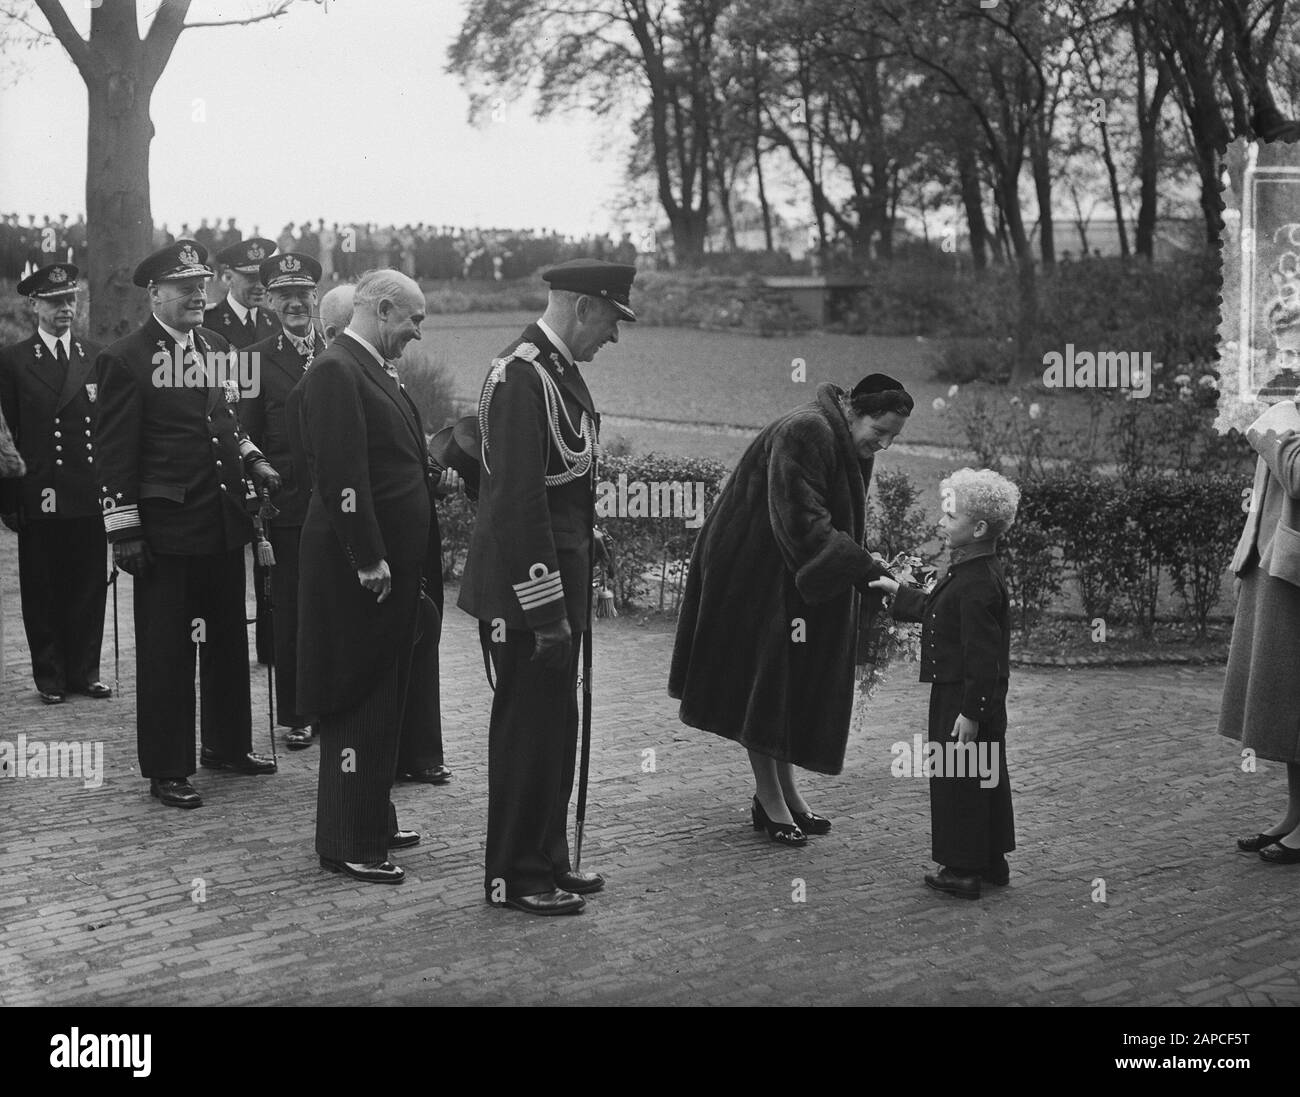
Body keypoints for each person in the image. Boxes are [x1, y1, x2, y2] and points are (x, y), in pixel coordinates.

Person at [459, 258, 635, 916]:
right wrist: (548, 612)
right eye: (612, 320)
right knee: (527, 734)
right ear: (585, 307)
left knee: (556, 731)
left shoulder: (557, 371)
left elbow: (569, 493)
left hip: (558, 587)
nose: (613, 337)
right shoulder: (521, 376)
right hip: (526, 599)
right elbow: (517, 506)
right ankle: (514, 873)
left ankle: (548, 857)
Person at [669, 375, 910, 844]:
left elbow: (825, 520)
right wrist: (863, 569)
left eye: (892, 438)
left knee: (785, 685)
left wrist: (862, 564)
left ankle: (786, 795)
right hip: (749, 574)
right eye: (879, 431)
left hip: (786, 572)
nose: (883, 444)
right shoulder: (808, 430)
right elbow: (803, 522)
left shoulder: (841, 437)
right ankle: (770, 801)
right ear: (854, 412)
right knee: (765, 685)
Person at [93, 240, 281, 809]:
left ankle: (226, 746)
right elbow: (112, 451)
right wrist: (124, 531)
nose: (198, 294)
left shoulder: (219, 345)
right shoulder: (126, 358)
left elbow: (226, 423)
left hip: (222, 523)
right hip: (167, 531)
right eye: (185, 287)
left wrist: (254, 459)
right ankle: (168, 766)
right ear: (156, 294)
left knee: (226, 640)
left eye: (202, 285)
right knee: (167, 651)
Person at [295, 269, 441, 885]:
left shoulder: (370, 368)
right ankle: (348, 842)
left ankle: (372, 816)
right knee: (359, 699)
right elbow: (342, 475)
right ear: (382, 310)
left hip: (390, 571)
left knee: (385, 697)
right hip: (362, 572)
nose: (415, 333)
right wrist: (367, 556)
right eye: (412, 320)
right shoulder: (336, 370)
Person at [868, 468, 1019, 900]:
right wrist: (897, 591)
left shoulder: (976, 583)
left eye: (949, 516)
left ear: (979, 528)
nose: (941, 521)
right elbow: (941, 612)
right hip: (976, 698)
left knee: (957, 780)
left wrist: (971, 711)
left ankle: (961, 869)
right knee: (985, 775)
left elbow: (983, 656)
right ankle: (991, 860)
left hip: (963, 697)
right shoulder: (975, 570)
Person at [0, 263, 110, 704]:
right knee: (43, 586)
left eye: (70, 300)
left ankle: (85, 671)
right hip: (39, 489)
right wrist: (8, 499)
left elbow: (105, 428)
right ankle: (50, 676)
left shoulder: (96, 356)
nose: (65, 308)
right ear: (34, 306)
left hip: (85, 490)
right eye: (54, 302)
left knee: (88, 584)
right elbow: (6, 434)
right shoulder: (14, 360)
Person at [241, 253, 325, 750]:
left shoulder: (337, 349)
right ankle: (297, 713)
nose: (295, 303)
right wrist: (258, 508)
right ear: (269, 301)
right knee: (292, 611)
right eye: (284, 295)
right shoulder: (252, 359)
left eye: (304, 294)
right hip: (287, 506)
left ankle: (333, 701)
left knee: (334, 606)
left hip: (339, 504)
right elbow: (246, 438)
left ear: (315, 297)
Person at [1219, 396, 1300, 863]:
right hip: (1279, 563)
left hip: (1294, 573)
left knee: (1299, 704)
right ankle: (1296, 815)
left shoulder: (1284, 409)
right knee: (1289, 708)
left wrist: (1273, 418)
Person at [206, 237, 283, 666]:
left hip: (270, 458)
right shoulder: (210, 327)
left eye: (262, 278)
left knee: (270, 561)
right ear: (226, 277)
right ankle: (225, 647)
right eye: (250, 278)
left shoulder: (276, 322)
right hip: (230, 455)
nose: (258, 285)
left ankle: (271, 648)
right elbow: (217, 400)